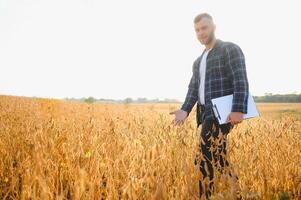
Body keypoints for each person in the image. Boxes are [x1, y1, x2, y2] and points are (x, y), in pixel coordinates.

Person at [169, 13, 249, 199]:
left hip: (222, 112)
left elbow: (240, 79)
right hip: (205, 114)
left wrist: (238, 109)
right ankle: (237, 192)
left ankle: (205, 195)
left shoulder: (229, 49)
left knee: (204, 157)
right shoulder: (198, 61)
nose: (201, 33)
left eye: (204, 28)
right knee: (218, 157)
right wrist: (185, 110)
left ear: (214, 26)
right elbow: (193, 88)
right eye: (197, 30)